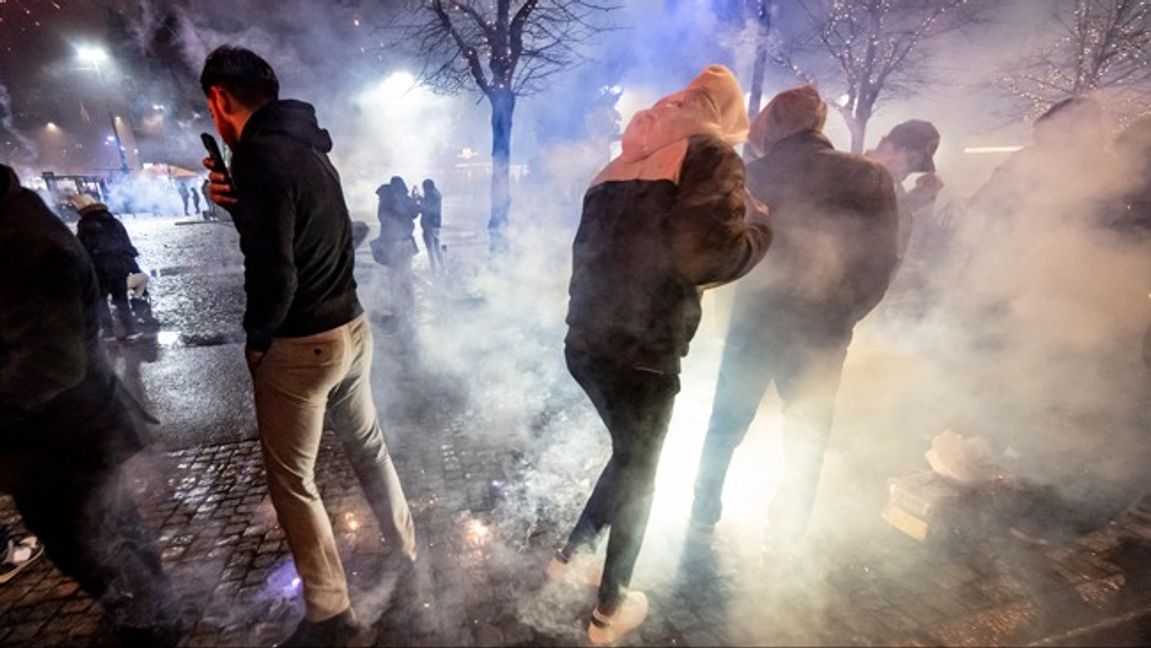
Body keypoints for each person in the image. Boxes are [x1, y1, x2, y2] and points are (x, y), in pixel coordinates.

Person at [199, 46, 416, 647]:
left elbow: (275, 270)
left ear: (219, 98)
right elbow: (309, 234)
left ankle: (330, 616)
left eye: (211, 106)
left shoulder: (258, 156)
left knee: (293, 480)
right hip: (351, 328)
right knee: (370, 450)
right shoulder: (310, 148)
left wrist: (258, 340)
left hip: (301, 344)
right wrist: (239, 208)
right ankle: (408, 556)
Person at [553, 65, 772, 645]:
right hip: (643, 352)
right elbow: (706, 258)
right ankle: (609, 610)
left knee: (629, 457)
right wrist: (760, 232)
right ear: (727, 115)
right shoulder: (710, 154)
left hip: (586, 344)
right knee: (641, 474)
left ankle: (572, 555)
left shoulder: (621, 160)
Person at [690, 86, 899, 545]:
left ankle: (703, 513)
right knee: (807, 431)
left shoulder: (751, 175)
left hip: (755, 321)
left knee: (725, 424)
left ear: (777, 123)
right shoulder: (870, 177)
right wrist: (844, 314)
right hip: (823, 329)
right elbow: (882, 262)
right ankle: (789, 526)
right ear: (819, 123)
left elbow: (721, 251)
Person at [0, 163, 178, 645]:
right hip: (65, 429)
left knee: (87, 539)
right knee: (108, 528)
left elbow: (50, 364)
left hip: (63, 435)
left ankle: (152, 625)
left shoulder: (23, 241)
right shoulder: (18, 224)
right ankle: (152, 611)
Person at [866, 119, 943, 264]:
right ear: (889, 148)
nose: (911, 170)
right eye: (912, 161)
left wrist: (914, 200)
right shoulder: (855, 175)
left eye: (917, 166)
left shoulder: (893, 188)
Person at [71, 193, 142, 340]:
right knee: (121, 299)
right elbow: (125, 244)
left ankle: (108, 331)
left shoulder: (85, 225)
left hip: (99, 268)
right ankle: (130, 329)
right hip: (118, 266)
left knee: (101, 300)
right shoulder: (114, 222)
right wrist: (133, 267)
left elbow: (83, 248)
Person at [416, 179, 444, 274]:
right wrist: (420, 199)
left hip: (429, 225)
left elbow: (424, 208)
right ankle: (442, 268)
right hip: (435, 224)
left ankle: (434, 271)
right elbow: (428, 205)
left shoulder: (430, 195)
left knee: (431, 250)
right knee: (437, 248)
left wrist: (417, 201)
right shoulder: (436, 194)